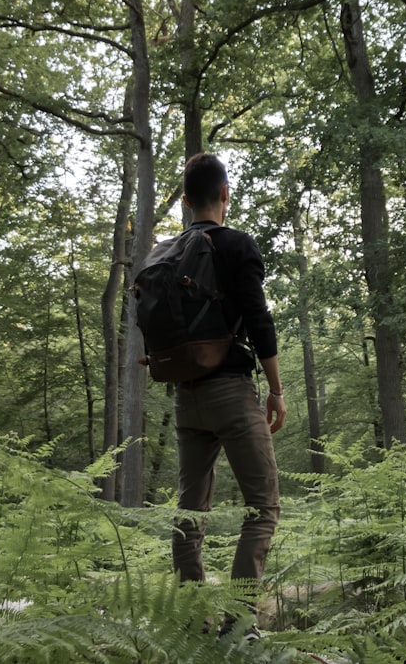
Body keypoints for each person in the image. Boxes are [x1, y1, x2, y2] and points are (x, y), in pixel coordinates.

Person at [171, 152, 287, 615]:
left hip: (184, 397)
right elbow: (259, 320)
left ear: (185, 200)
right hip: (230, 393)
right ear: (224, 194)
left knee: (189, 513)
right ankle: (240, 622)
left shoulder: (167, 252)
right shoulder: (238, 245)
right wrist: (276, 390)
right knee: (263, 507)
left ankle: (191, 617)